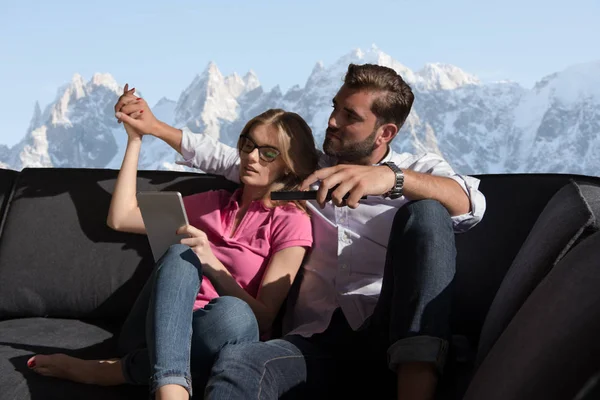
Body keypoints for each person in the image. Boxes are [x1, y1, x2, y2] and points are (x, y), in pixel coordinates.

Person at [109, 63, 486, 399]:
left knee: (428, 214)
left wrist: (389, 178)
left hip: (387, 336)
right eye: (334, 108)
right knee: (241, 361)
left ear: (385, 132)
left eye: (349, 115)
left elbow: (470, 202)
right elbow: (235, 160)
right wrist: (154, 128)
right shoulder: (306, 172)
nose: (333, 121)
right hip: (314, 344)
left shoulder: (414, 169)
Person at [26, 95, 319, 400]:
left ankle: (117, 371)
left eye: (268, 153)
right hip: (153, 329)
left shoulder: (291, 221)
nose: (252, 157)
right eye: (248, 144)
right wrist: (136, 140)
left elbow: (264, 319)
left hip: (219, 337)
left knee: (236, 314)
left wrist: (213, 266)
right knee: (180, 252)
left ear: (289, 164)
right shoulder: (212, 203)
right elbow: (121, 217)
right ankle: (169, 389)